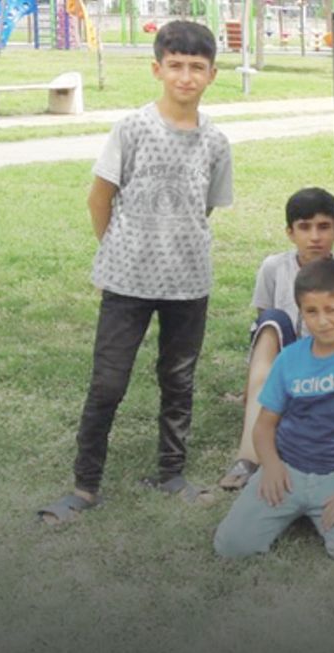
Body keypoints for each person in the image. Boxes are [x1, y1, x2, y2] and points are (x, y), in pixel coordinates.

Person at [39, 21, 233, 524]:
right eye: (176, 65)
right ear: (157, 69)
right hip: (127, 282)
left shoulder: (216, 142)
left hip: (188, 283)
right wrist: (121, 248)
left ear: (212, 74)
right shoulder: (132, 129)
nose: (186, 76)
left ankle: (171, 473)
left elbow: (204, 207)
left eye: (197, 67)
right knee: (108, 384)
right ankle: (85, 486)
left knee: (179, 379)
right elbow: (99, 198)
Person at [213, 259, 334, 562]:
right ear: (300, 311)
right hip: (289, 469)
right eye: (311, 311)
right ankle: (292, 508)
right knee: (232, 546)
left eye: (331, 310)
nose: (322, 321)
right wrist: (271, 466)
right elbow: (264, 426)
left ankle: (311, 511)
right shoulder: (289, 358)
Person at [218, 187, 334, 491]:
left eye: (324, 227)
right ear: (290, 232)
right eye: (304, 227)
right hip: (284, 362)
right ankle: (248, 456)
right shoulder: (274, 267)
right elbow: (264, 328)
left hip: (328, 365)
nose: (315, 237)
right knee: (272, 320)